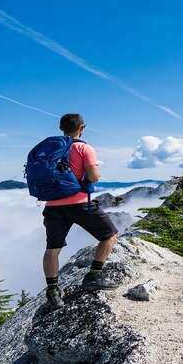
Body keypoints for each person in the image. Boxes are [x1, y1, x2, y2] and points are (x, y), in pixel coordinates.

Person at [42, 113, 120, 308]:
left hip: (52, 205)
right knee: (110, 235)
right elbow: (93, 177)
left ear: (61, 128)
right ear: (82, 128)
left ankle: (52, 291)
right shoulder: (84, 148)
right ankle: (93, 277)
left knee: (52, 250)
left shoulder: (50, 150)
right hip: (79, 203)